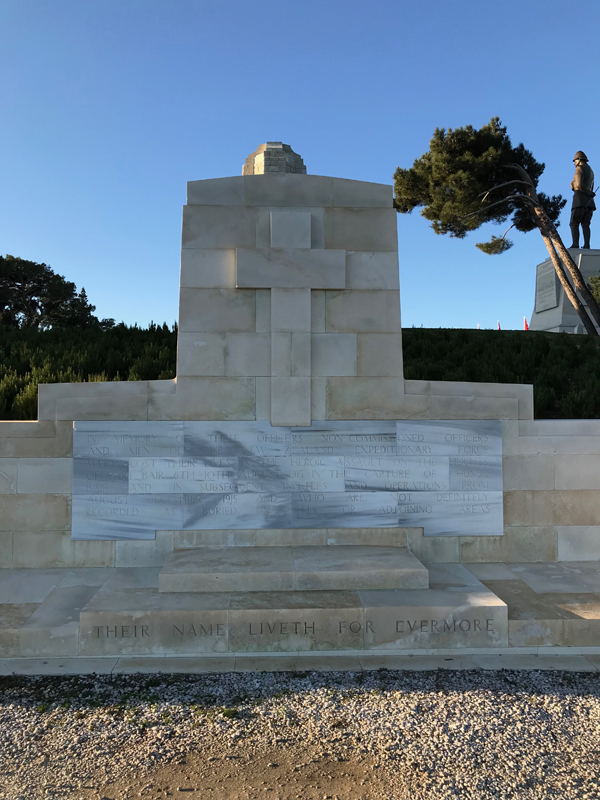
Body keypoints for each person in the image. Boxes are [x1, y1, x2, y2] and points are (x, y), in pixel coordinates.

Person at [570, 151, 595, 249]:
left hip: (579, 200)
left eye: (575, 161)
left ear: (579, 160)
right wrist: (589, 193)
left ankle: (575, 244)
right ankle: (587, 245)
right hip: (590, 202)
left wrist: (572, 184)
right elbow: (591, 187)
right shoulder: (591, 171)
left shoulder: (579, 168)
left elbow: (578, 185)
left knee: (574, 222)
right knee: (586, 224)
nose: (574, 163)